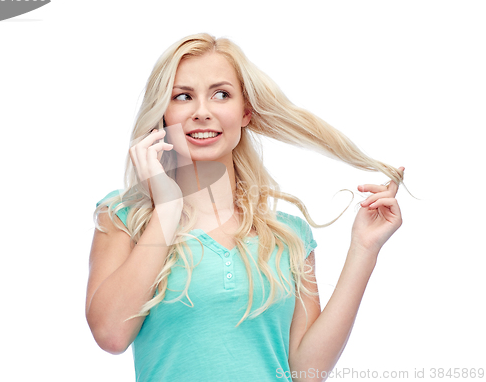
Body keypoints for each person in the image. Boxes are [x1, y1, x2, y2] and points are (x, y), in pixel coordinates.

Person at [85, 33, 406, 382]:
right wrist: (167, 207)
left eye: (221, 94)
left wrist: (364, 249)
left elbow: (306, 372)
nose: (202, 112)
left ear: (246, 112)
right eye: (183, 96)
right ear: (163, 114)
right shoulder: (123, 218)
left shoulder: (288, 236)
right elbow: (111, 335)